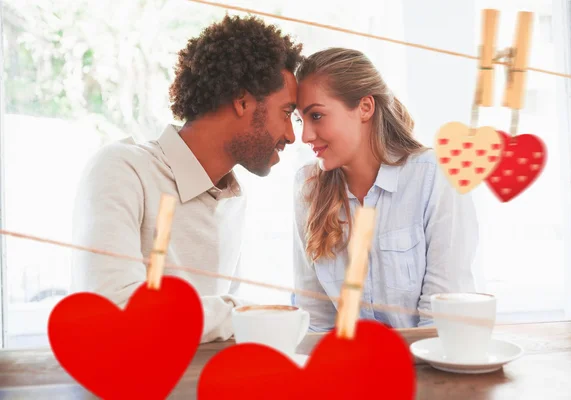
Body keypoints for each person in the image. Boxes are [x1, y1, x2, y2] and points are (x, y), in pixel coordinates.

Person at [71, 15, 303, 343]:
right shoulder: (122, 170)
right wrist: (240, 312)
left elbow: (215, 338)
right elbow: (113, 312)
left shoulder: (233, 199)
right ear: (243, 101)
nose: (292, 135)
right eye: (286, 112)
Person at [291, 48, 479, 331]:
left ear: (365, 107)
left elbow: (441, 319)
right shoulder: (308, 185)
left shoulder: (434, 177)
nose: (305, 135)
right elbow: (314, 318)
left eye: (316, 116)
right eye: (299, 120)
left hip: (424, 366)